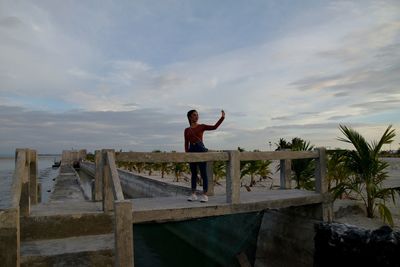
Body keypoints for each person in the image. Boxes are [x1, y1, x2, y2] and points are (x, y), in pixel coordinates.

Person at [184, 109, 225, 202]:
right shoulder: (186, 130)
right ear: (190, 117)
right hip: (191, 151)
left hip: (201, 150)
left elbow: (214, 127)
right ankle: (193, 194)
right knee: (193, 174)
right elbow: (186, 143)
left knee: (203, 174)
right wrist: (186, 154)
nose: (196, 116)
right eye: (194, 115)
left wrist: (222, 118)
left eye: (197, 115)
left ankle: (205, 194)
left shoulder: (201, 126)